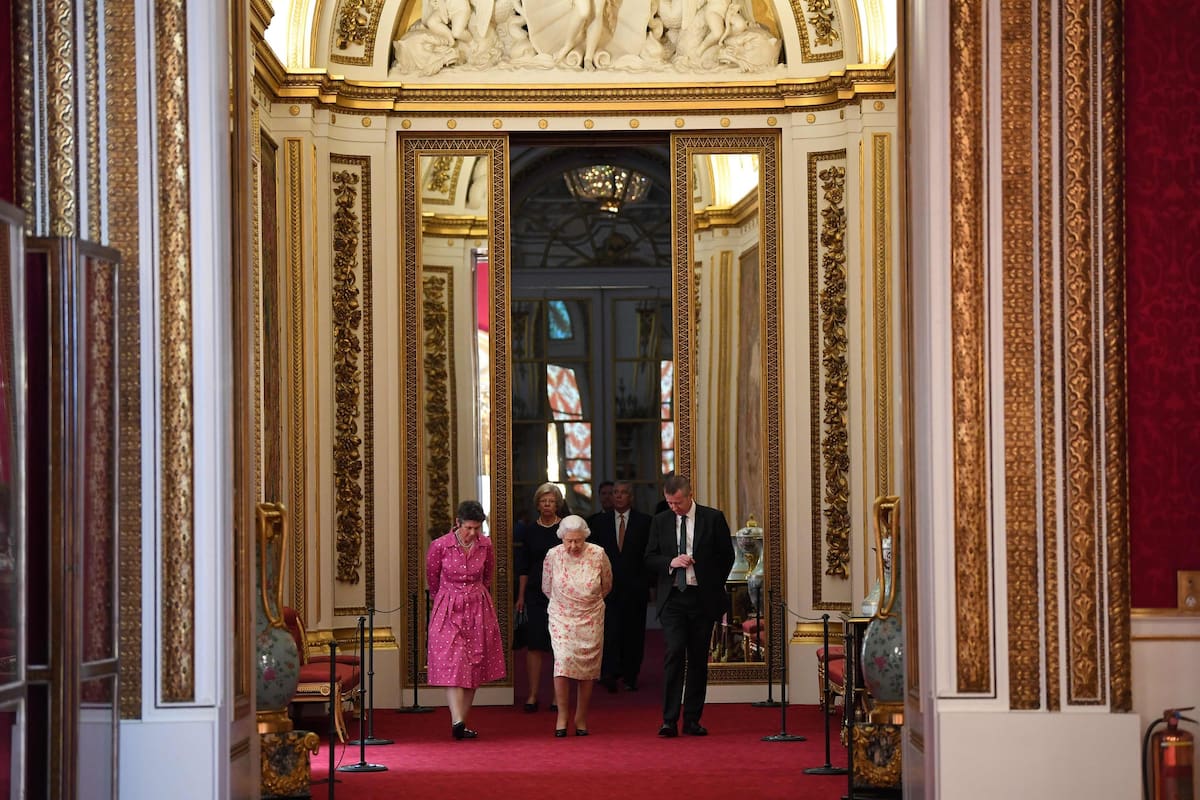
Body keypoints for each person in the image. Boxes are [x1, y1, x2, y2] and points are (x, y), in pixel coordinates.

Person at [644, 474, 734, 737]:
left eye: (678, 502)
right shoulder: (660, 521)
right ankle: (669, 720)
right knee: (674, 653)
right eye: (670, 503)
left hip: (701, 597)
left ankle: (692, 719)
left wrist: (706, 574)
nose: (674, 508)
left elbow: (726, 556)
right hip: (673, 598)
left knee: (697, 658)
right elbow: (649, 557)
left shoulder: (713, 518)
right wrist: (671, 562)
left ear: (689, 494)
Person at [425, 500, 507, 740]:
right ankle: (457, 719)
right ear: (457, 523)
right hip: (448, 606)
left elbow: (488, 575)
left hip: (478, 606)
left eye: (477, 528)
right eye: (468, 528)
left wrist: (475, 595)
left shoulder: (486, 545)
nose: (473, 533)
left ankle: (461, 721)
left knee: (474, 663)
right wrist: (447, 599)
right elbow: (433, 579)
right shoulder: (440, 546)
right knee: (454, 661)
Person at [543, 515, 612, 736]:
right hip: (561, 616)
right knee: (562, 661)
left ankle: (581, 717)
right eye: (568, 541)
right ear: (561, 537)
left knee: (588, 668)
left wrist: (588, 603)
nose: (573, 546)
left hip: (591, 616)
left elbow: (607, 585)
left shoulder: (598, 553)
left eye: (578, 541)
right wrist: (566, 605)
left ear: (585, 537)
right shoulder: (553, 555)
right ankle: (562, 716)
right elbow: (547, 587)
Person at [590, 480, 652, 691]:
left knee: (633, 632)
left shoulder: (645, 522)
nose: (617, 496)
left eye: (623, 492)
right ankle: (609, 672)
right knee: (609, 631)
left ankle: (630, 674)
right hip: (607, 588)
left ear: (631, 497)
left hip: (635, 588)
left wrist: (650, 585)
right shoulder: (599, 523)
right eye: (615, 492)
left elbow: (648, 556)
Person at [514, 482, 565, 712]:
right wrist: (521, 596)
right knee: (534, 645)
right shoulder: (529, 531)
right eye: (544, 501)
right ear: (537, 504)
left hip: (561, 594)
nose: (547, 504)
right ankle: (533, 695)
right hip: (534, 593)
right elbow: (523, 566)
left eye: (551, 501)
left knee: (558, 646)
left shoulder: (565, 529)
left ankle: (557, 698)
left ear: (558, 504)